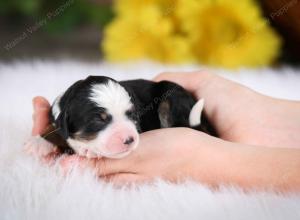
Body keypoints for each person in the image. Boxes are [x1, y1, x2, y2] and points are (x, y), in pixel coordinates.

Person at [31, 72, 300, 191]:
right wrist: (45, 140)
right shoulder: (64, 114)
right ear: (65, 121)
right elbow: (57, 133)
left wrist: (201, 151)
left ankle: (197, 129)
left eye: (130, 115)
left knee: (171, 99)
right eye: (101, 121)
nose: (128, 134)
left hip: (169, 97)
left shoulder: (154, 99)